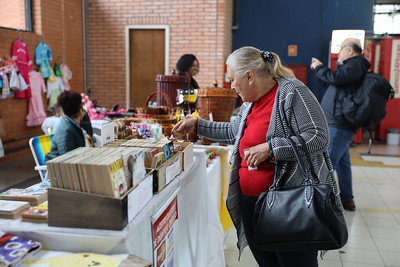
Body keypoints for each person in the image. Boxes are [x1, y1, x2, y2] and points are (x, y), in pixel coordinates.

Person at [173, 46, 340, 267]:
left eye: (233, 79)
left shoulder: (292, 92)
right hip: (252, 202)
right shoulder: (250, 102)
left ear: (250, 76)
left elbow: (318, 137)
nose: (232, 86)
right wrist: (198, 125)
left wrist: (271, 148)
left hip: (288, 203)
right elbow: (234, 132)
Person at [310, 38, 370, 211]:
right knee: (343, 162)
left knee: (327, 162)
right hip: (339, 122)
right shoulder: (353, 66)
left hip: (339, 123)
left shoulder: (355, 65)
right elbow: (335, 80)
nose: (339, 52)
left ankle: (320, 204)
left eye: (341, 48)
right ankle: (346, 199)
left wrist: (320, 67)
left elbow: (334, 78)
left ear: (350, 50)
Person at [45, 90, 93, 161]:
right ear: (80, 109)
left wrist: (85, 116)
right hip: (59, 168)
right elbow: (67, 161)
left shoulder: (75, 124)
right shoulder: (66, 130)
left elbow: (90, 134)